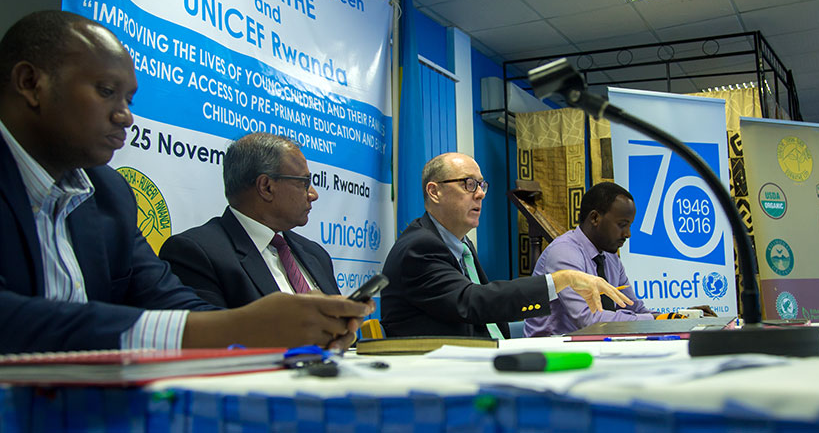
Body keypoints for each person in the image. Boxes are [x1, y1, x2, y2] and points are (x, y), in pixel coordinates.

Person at [0, 10, 370, 353]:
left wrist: (268, 328)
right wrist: (239, 328)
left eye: (129, 100)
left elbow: (166, 301)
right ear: (31, 83)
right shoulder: (195, 246)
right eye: (107, 92)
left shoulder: (108, 195)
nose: (125, 117)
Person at [380, 152, 632, 338]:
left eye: (481, 185)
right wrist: (560, 280)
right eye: (468, 184)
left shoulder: (461, 246)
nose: (480, 193)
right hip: (440, 375)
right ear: (434, 192)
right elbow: (472, 302)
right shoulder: (419, 247)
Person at [159, 133, 339, 307]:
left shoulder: (315, 254)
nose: (313, 194)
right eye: (304, 182)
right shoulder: (195, 254)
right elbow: (211, 327)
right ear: (266, 187)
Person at [524, 182, 655, 336]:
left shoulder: (610, 256)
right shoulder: (564, 252)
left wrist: (667, 319)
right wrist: (651, 320)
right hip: (551, 346)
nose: (628, 234)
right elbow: (589, 320)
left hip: (593, 344)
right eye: (622, 225)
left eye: (630, 226)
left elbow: (634, 307)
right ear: (595, 218)